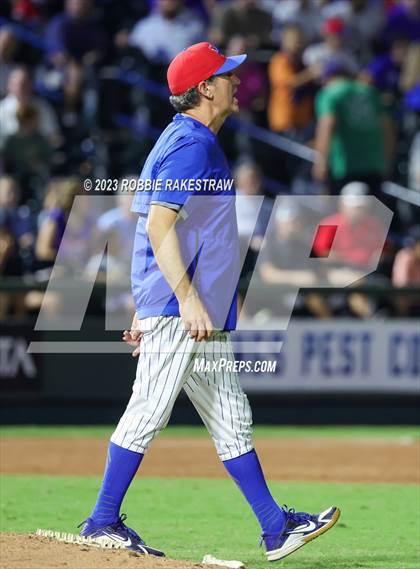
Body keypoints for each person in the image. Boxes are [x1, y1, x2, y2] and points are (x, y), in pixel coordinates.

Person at [78, 41, 340, 562]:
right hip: (184, 310)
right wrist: (176, 299)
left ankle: (274, 527)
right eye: (226, 75)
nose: (236, 82)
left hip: (189, 310)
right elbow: (157, 225)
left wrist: (147, 302)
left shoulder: (186, 139)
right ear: (204, 88)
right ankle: (102, 520)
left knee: (230, 416)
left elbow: (155, 226)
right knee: (148, 410)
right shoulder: (190, 144)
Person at [312, 61, 394, 197]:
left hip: (344, 167)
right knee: (372, 216)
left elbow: (326, 125)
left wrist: (321, 162)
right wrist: (387, 160)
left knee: (344, 214)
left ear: (327, 78)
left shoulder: (330, 93)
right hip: (374, 165)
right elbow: (388, 128)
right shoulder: (370, 92)